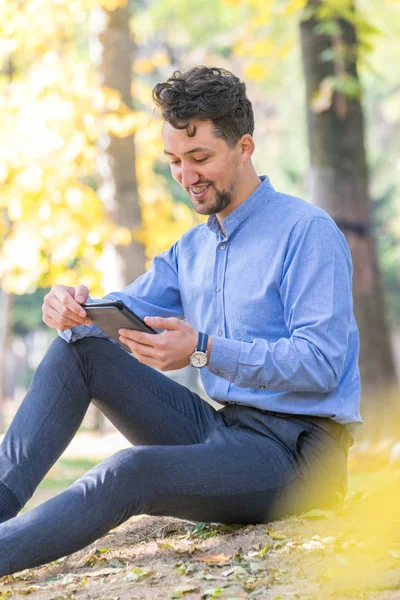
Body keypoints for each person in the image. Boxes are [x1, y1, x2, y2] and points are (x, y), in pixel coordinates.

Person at [0, 66, 362, 576]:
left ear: (245, 147)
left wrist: (204, 350)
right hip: (223, 432)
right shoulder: (191, 249)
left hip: (298, 456)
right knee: (76, 349)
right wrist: (71, 307)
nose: (186, 176)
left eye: (200, 158)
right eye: (174, 161)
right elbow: (117, 311)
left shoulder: (307, 232)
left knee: (130, 471)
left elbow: (322, 365)